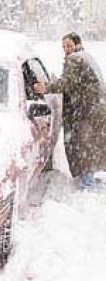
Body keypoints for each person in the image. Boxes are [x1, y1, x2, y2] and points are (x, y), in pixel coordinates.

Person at [34, 32, 106, 190]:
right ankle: (89, 182)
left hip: (85, 114)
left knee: (83, 149)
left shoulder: (75, 59)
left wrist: (46, 87)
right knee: (89, 149)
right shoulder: (86, 56)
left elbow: (67, 83)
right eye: (64, 46)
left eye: (68, 45)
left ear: (77, 44)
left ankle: (87, 188)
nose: (66, 49)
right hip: (94, 112)